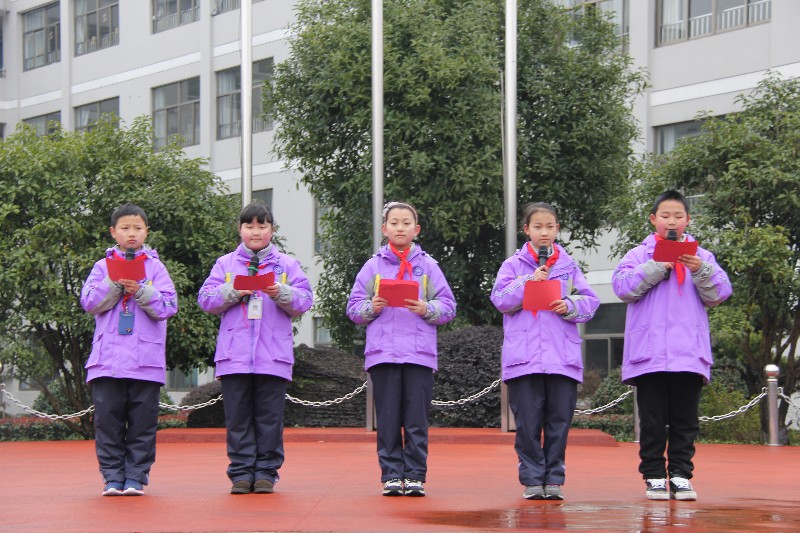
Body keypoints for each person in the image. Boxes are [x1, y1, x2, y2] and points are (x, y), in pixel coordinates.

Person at [612, 190, 731, 501]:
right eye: (665, 216)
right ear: (654, 220)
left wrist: (699, 270)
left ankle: (680, 475)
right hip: (650, 354)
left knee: (685, 421)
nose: (672, 221)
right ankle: (653, 475)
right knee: (652, 421)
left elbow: (719, 293)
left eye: (678, 216)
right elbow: (623, 288)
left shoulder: (702, 257)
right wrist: (658, 265)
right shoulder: (638, 255)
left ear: (688, 220)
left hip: (688, 353)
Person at [198, 203, 312, 495]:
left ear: (272, 230)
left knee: (269, 418)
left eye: (262, 226)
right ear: (240, 229)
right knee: (237, 418)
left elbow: (304, 300)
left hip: (272, 356)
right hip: (234, 356)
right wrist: (233, 291)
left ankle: (265, 472)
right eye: (250, 226)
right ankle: (241, 472)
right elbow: (206, 299)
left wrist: (280, 292)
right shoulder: (225, 264)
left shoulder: (286, 265)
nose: (256, 232)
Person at [490, 202, 599, 501]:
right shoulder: (512, 265)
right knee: (527, 423)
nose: (544, 232)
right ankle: (532, 478)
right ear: (526, 230)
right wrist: (527, 282)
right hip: (524, 359)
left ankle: (554, 478)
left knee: (558, 421)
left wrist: (571, 305)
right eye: (538, 226)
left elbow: (590, 301)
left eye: (550, 226)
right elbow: (499, 299)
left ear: (557, 229)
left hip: (561, 358)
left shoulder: (568, 265)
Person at [347, 201, 456, 497]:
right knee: (388, 419)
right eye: (394, 223)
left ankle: (416, 475)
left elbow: (448, 306)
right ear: (385, 229)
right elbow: (353, 308)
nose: (400, 227)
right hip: (383, 354)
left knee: (416, 419)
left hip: (419, 355)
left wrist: (426, 308)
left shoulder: (429, 266)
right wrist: (372, 306)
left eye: (406, 223)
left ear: (416, 229)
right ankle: (392, 474)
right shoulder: (373, 267)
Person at [80, 203, 178, 497]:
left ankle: (135, 477)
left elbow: (169, 306)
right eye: (125, 228)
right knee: (108, 423)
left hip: (144, 362)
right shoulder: (102, 267)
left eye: (137, 228)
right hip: (107, 361)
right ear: (113, 232)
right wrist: (113, 284)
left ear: (146, 231)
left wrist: (142, 290)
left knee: (142, 425)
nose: (131, 234)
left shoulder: (156, 267)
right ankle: (112, 478)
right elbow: (89, 303)